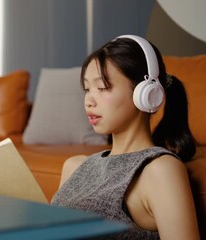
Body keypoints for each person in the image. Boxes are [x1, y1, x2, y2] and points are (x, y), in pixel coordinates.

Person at [51, 35, 200, 239]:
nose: (89, 101)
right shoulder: (74, 167)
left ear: (146, 93)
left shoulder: (159, 170)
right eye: (87, 89)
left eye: (102, 87)